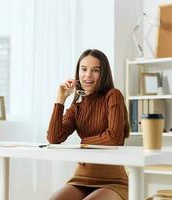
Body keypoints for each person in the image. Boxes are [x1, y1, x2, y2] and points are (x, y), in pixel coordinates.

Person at [47, 49, 130, 200]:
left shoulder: (113, 95)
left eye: (95, 70)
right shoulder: (77, 106)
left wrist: (83, 144)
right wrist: (60, 99)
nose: (88, 75)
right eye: (83, 69)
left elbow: (114, 138)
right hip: (81, 178)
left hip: (113, 181)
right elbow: (54, 138)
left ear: (103, 73)